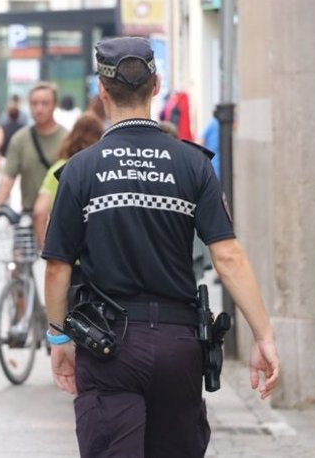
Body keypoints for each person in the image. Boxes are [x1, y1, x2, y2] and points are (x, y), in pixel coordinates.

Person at [41, 37, 280, 457]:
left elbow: (58, 266)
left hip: (107, 346)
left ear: (101, 89)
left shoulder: (80, 170)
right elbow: (227, 256)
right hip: (178, 345)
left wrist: (59, 340)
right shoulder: (193, 164)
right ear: (156, 86)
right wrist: (263, 335)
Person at [0, 82, 67, 216]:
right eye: (34, 103)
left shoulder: (67, 139)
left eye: (45, 103)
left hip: (61, 216)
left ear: (54, 105)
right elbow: (8, 177)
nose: (39, 108)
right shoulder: (20, 139)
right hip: (29, 214)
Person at [33, 113, 103, 249]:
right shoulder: (104, 167)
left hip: (66, 254)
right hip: (97, 256)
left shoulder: (59, 168)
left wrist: (46, 249)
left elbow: (40, 212)